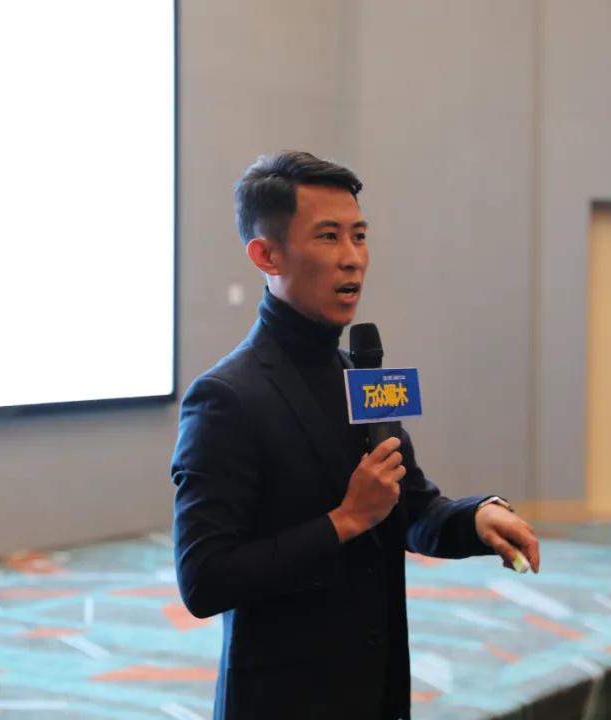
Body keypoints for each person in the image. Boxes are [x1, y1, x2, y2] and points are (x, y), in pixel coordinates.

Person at [171, 151, 540, 720]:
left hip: (376, 693)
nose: (352, 258)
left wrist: (475, 518)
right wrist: (343, 521)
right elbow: (204, 580)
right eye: (328, 237)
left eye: (359, 236)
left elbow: (409, 508)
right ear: (267, 255)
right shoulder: (225, 398)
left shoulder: (362, 376)